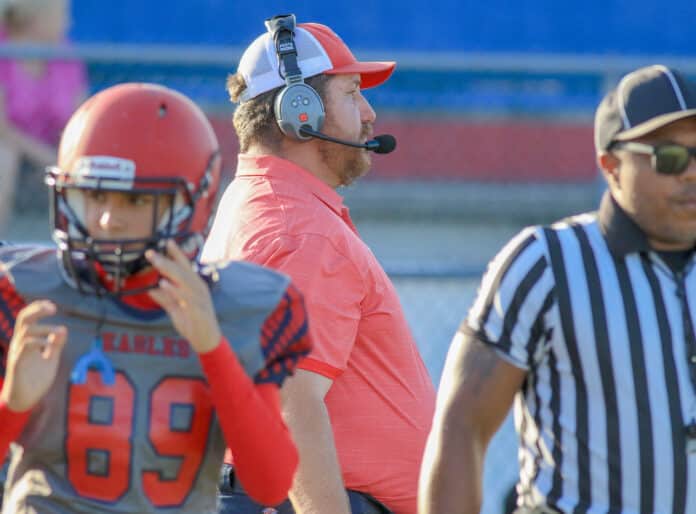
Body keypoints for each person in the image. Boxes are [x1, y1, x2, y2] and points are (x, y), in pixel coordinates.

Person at [0, 82, 312, 513]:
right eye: (94, 195)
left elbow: (270, 485)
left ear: (190, 204)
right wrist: (12, 403)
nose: (108, 219)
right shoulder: (26, 297)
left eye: (135, 200)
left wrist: (213, 351)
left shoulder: (233, 310)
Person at [418, 64, 696, 514]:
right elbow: (462, 426)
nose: (691, 173)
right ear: (611, 166)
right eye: (670, 158)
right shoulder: (546, 262)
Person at [202, 14, 435, 514]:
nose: (369, 113)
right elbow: (291, 403)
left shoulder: (268, 203)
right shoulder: (300, 229)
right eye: (352, 94)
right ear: (299, 111)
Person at [0, 0, 86, 232]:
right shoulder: (3, 49)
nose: (68, 22)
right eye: (61, 14)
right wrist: (46, 157)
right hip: (18, 154)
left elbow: (80, 119)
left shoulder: (65, 54)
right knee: (3, 156)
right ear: (37, 17)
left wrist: (63, 155)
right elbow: (2, 127)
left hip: (52, 152)